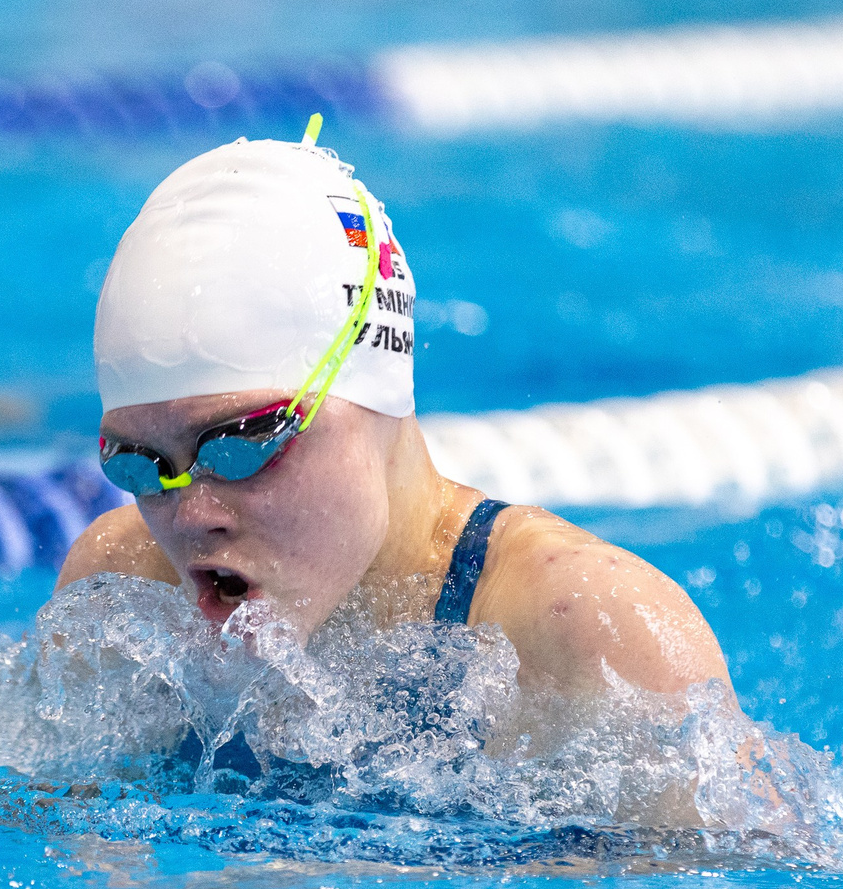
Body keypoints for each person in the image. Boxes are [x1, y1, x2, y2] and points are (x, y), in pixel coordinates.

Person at [57, 127, 735, 741]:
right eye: (142, 465)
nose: (190, 515)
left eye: (243, 444)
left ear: (371, 391)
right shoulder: (119, 596)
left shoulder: (590, 634)